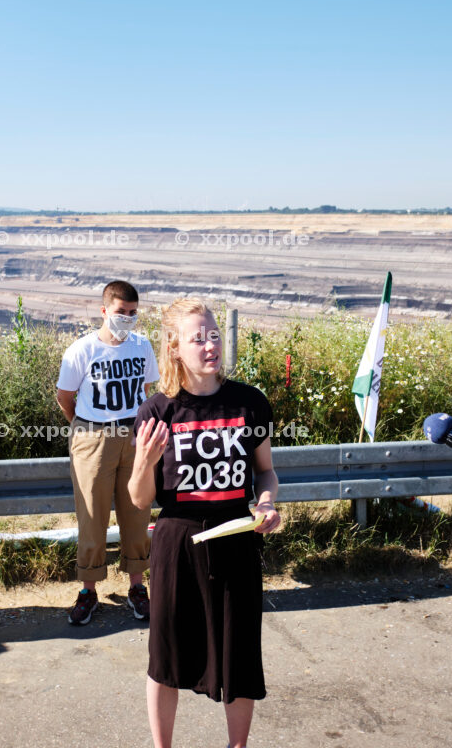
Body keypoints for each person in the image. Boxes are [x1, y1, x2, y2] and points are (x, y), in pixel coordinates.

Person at [129, 299, 282, 748]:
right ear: (175, 347)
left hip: (236, 538)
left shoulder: (249, 402)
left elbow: (265, 472)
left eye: (214, 335)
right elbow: (141, 499)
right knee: (167, 659)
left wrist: (266, 503)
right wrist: (144, 461)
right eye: (197, 338)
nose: (210, 345)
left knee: (238, 657)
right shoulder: (158, 411)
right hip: (177, 544)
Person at [55, 280, 159, 624]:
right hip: (92, 436)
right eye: (120, 312)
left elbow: (145, 389)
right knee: (92, 515)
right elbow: (65, 397)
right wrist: (88, 429)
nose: (127, 318)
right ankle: (88, 590)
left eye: (132, 313)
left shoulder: (142, 346)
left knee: (137, 513)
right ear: (104, 311)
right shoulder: (82, 350)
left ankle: (137, 586)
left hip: (135, 436)